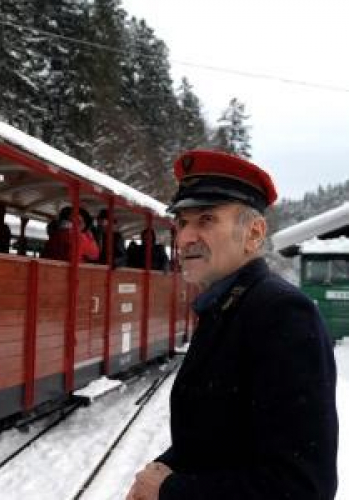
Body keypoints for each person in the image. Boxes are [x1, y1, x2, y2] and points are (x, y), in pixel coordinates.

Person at [126, 150, 337, 500]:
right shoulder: (227, 307)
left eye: (206, 219)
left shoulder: (282, 313)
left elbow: (303, 487)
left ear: (254, 234)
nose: (184, 239)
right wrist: (158, 472)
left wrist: (170, 489)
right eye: (181, 222)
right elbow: (217, 439)